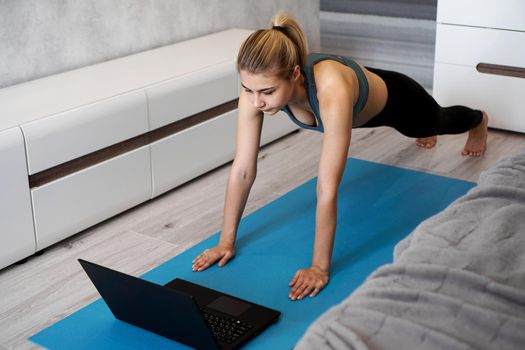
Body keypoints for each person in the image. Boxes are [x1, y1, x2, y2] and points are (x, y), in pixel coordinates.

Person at [191, 12, 488, 301]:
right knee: (422, 129)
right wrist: (225, 241)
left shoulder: (330, 88)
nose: (256, 101)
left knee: (437, 121)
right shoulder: (256, 88)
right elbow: (243, 169)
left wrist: (319, 267)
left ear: (295, 74)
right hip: (359, 98)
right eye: (248, 89)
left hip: (398, 101)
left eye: (266, 92)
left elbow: (327, 186)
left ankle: (478, 119)